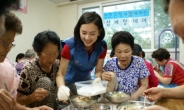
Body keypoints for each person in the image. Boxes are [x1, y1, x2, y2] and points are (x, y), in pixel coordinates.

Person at [0, 12, 52, 110]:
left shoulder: (6, 66)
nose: (8, 49)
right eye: (5, 42)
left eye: (11, 43)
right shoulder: (28, 68)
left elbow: (13, 104)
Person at [56, 11, 107, 100]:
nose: (87, 38)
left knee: (92, 101)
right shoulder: (69, 46)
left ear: (99, 31)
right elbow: (60, 74)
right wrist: (61, 87)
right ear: (79, 30)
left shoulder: (102, 46)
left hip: (86, 81)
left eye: (92, 34)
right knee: (76, 101)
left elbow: (98, 70)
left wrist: (98, 79)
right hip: (68, 82)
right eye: (84, 33)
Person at [144, 0, 184, 110]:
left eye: (157, 60)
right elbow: (167, 76)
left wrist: (154, 73)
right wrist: (159, 73)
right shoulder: (171, 62)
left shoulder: (171, 64)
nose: (156, 62)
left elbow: (166, 81)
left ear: (162, 59)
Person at [17, 31, 60, 109]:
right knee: (45, 81)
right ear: (37, 51)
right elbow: (18, 100)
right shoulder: (28, 69)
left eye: (55, 53)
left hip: (55, 106)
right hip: (37, 108)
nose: (52, 58)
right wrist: (32, 97)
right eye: (48, 53)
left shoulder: (57, 65)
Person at [102, 31, 150, 100]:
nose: (123, 55)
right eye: (118, 52)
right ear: (114, 51)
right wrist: (103, 76)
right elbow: (102, 83)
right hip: (114, 101)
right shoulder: (110, 63)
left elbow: (144, 84)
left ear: (132, 50)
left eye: (126, 51)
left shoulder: (139, 62)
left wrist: (133, 97)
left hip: (133, 101)